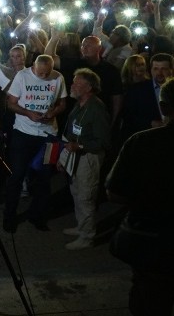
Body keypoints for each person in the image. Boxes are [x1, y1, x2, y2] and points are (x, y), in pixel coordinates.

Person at [106, 76, 174, 315]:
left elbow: (114, 192)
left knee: (150, 304)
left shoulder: (141, 142)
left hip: (151, 248)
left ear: (164, 107)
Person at [3, 54, 67, 233]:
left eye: (47, 74)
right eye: (40, 73)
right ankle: (9, 216)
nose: (44, 77)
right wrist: (28, 113)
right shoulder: (22, 76)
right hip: (23, 133)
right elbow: (11, 104)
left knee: (44, 176)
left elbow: (63, 103)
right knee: (17, 175)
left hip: (48, 135)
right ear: (34, 67)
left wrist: (54, 112)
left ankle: (37, 215)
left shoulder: (58, 77)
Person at [61, 68, 111, 250]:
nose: (72, 85)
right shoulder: (79, 104)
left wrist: (80, 146)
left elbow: (103, 141)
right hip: (75, 155)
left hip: (88, 157)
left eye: (77, 83)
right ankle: (81, 226)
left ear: (89, 87)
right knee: (76, 192)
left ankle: (87, 236)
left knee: (86, 196)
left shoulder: (96, 108)